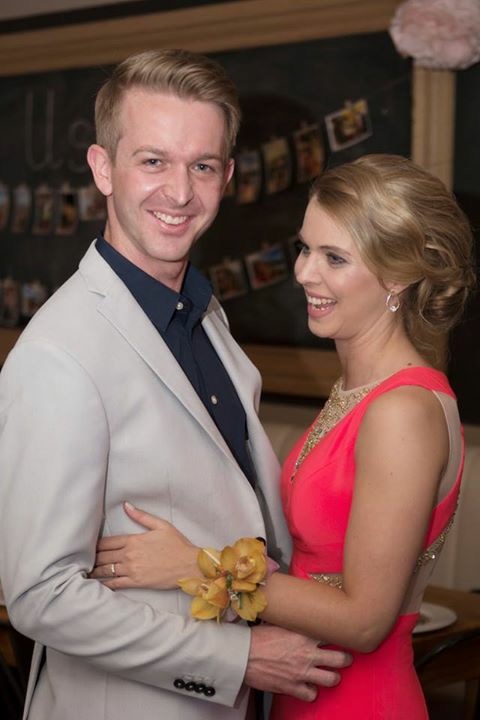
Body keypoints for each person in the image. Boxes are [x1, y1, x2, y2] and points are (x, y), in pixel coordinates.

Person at [0, 49, 350, 720]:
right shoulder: (58, 352)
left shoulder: (205, 314)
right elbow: (41, 596)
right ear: (103, 168)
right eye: (153, 161)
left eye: (203, 166)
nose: (181, 192)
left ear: (228, 176)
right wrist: (237, 659)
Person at [91, 153, 476, 719]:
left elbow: (365, 621)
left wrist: (195, 566)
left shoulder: (403, 410)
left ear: (397, 274)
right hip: (306, 689)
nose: (304, 273)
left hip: (358, 701)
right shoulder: (361, 391)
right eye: (305, 248)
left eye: (334, 257)